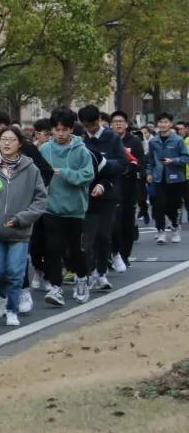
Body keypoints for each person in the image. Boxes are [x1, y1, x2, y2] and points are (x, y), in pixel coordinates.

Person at [0, 126, 47, 326]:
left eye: (11, 139)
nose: (6, 143)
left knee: (15, 272)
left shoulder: (31, 169)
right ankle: (3, 295)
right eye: (3, 139)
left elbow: (40, 200)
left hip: (20, 231)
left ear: (20, 143)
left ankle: (12, 310)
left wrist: (22, 218)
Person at [39, 109, 94, 307]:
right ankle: (56, 287)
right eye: (56, 129)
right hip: (50, 208)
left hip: (75, 210)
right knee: (53, 249)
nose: (60, 133)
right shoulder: (45, 149)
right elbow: (38, 174)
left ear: (71, 129)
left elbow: (88, 175)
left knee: (75, 250)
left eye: (64, 129)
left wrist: (65, 173)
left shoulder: (81, 150)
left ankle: (82, 279)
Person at [79, 104, 126, 294]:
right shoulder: (80, 140)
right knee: (87, 238)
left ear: (99, 120)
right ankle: (89, 273)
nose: (90, 129)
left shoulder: (112, 138)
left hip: (107, 194)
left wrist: (103, 164)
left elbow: (122, 164)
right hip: (86, 195)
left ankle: (102, 273)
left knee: (104, 236)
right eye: (86, 126)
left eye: (92, 125)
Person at [147, 112, 189, 244]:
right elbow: (150, 160)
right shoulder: (153, 141)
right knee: (159, 205)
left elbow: (186, 158)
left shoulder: (178, 140)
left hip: (176, 178)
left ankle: (175, 227)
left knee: (173, 205)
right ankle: (161, 231)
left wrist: (173, 160)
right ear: (157, 124)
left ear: (170, 124)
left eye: (165, 122)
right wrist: (149, 173)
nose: (163, 124)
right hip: (159, 178)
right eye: (160, 122)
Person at [110, 111, 143, 272]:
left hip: (129, 187)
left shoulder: (134, 141)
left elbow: (140, 161)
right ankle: (112, 254)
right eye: (115, 121)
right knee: (113, 223)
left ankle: (124, 255)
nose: (118, 124)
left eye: (121, 121)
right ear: (111, 124)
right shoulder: (108, 141)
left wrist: (129, 168)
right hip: (111, 187)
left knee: (127, 223)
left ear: (126, 124)